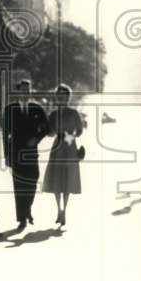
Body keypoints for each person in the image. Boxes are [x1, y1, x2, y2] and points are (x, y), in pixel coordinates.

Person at [2, 79, 50, 229]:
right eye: (23, 90)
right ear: (18, 91)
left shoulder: (37, 108)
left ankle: (27, 208)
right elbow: (5, 134)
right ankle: (22, 218)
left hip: (31, 153)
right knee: (19, 185)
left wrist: (36, 139)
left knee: (33, 181)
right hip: (16, 153)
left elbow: (46, 128)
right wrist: (7, 155)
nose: (26, 93)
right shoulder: (10, 109)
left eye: (28, 90)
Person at [42, 83, 84, 227]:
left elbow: (79, 130)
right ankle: (58, 209)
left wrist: (71, 136)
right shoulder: (53, 114)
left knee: (67, 179)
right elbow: (49, 132)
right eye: (59, 96)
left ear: (68, 97)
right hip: (57, 148)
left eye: (64, 95)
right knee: (56, 179)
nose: (61, 98)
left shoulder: (73, 112)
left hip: (70, 147)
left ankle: (64, 210)